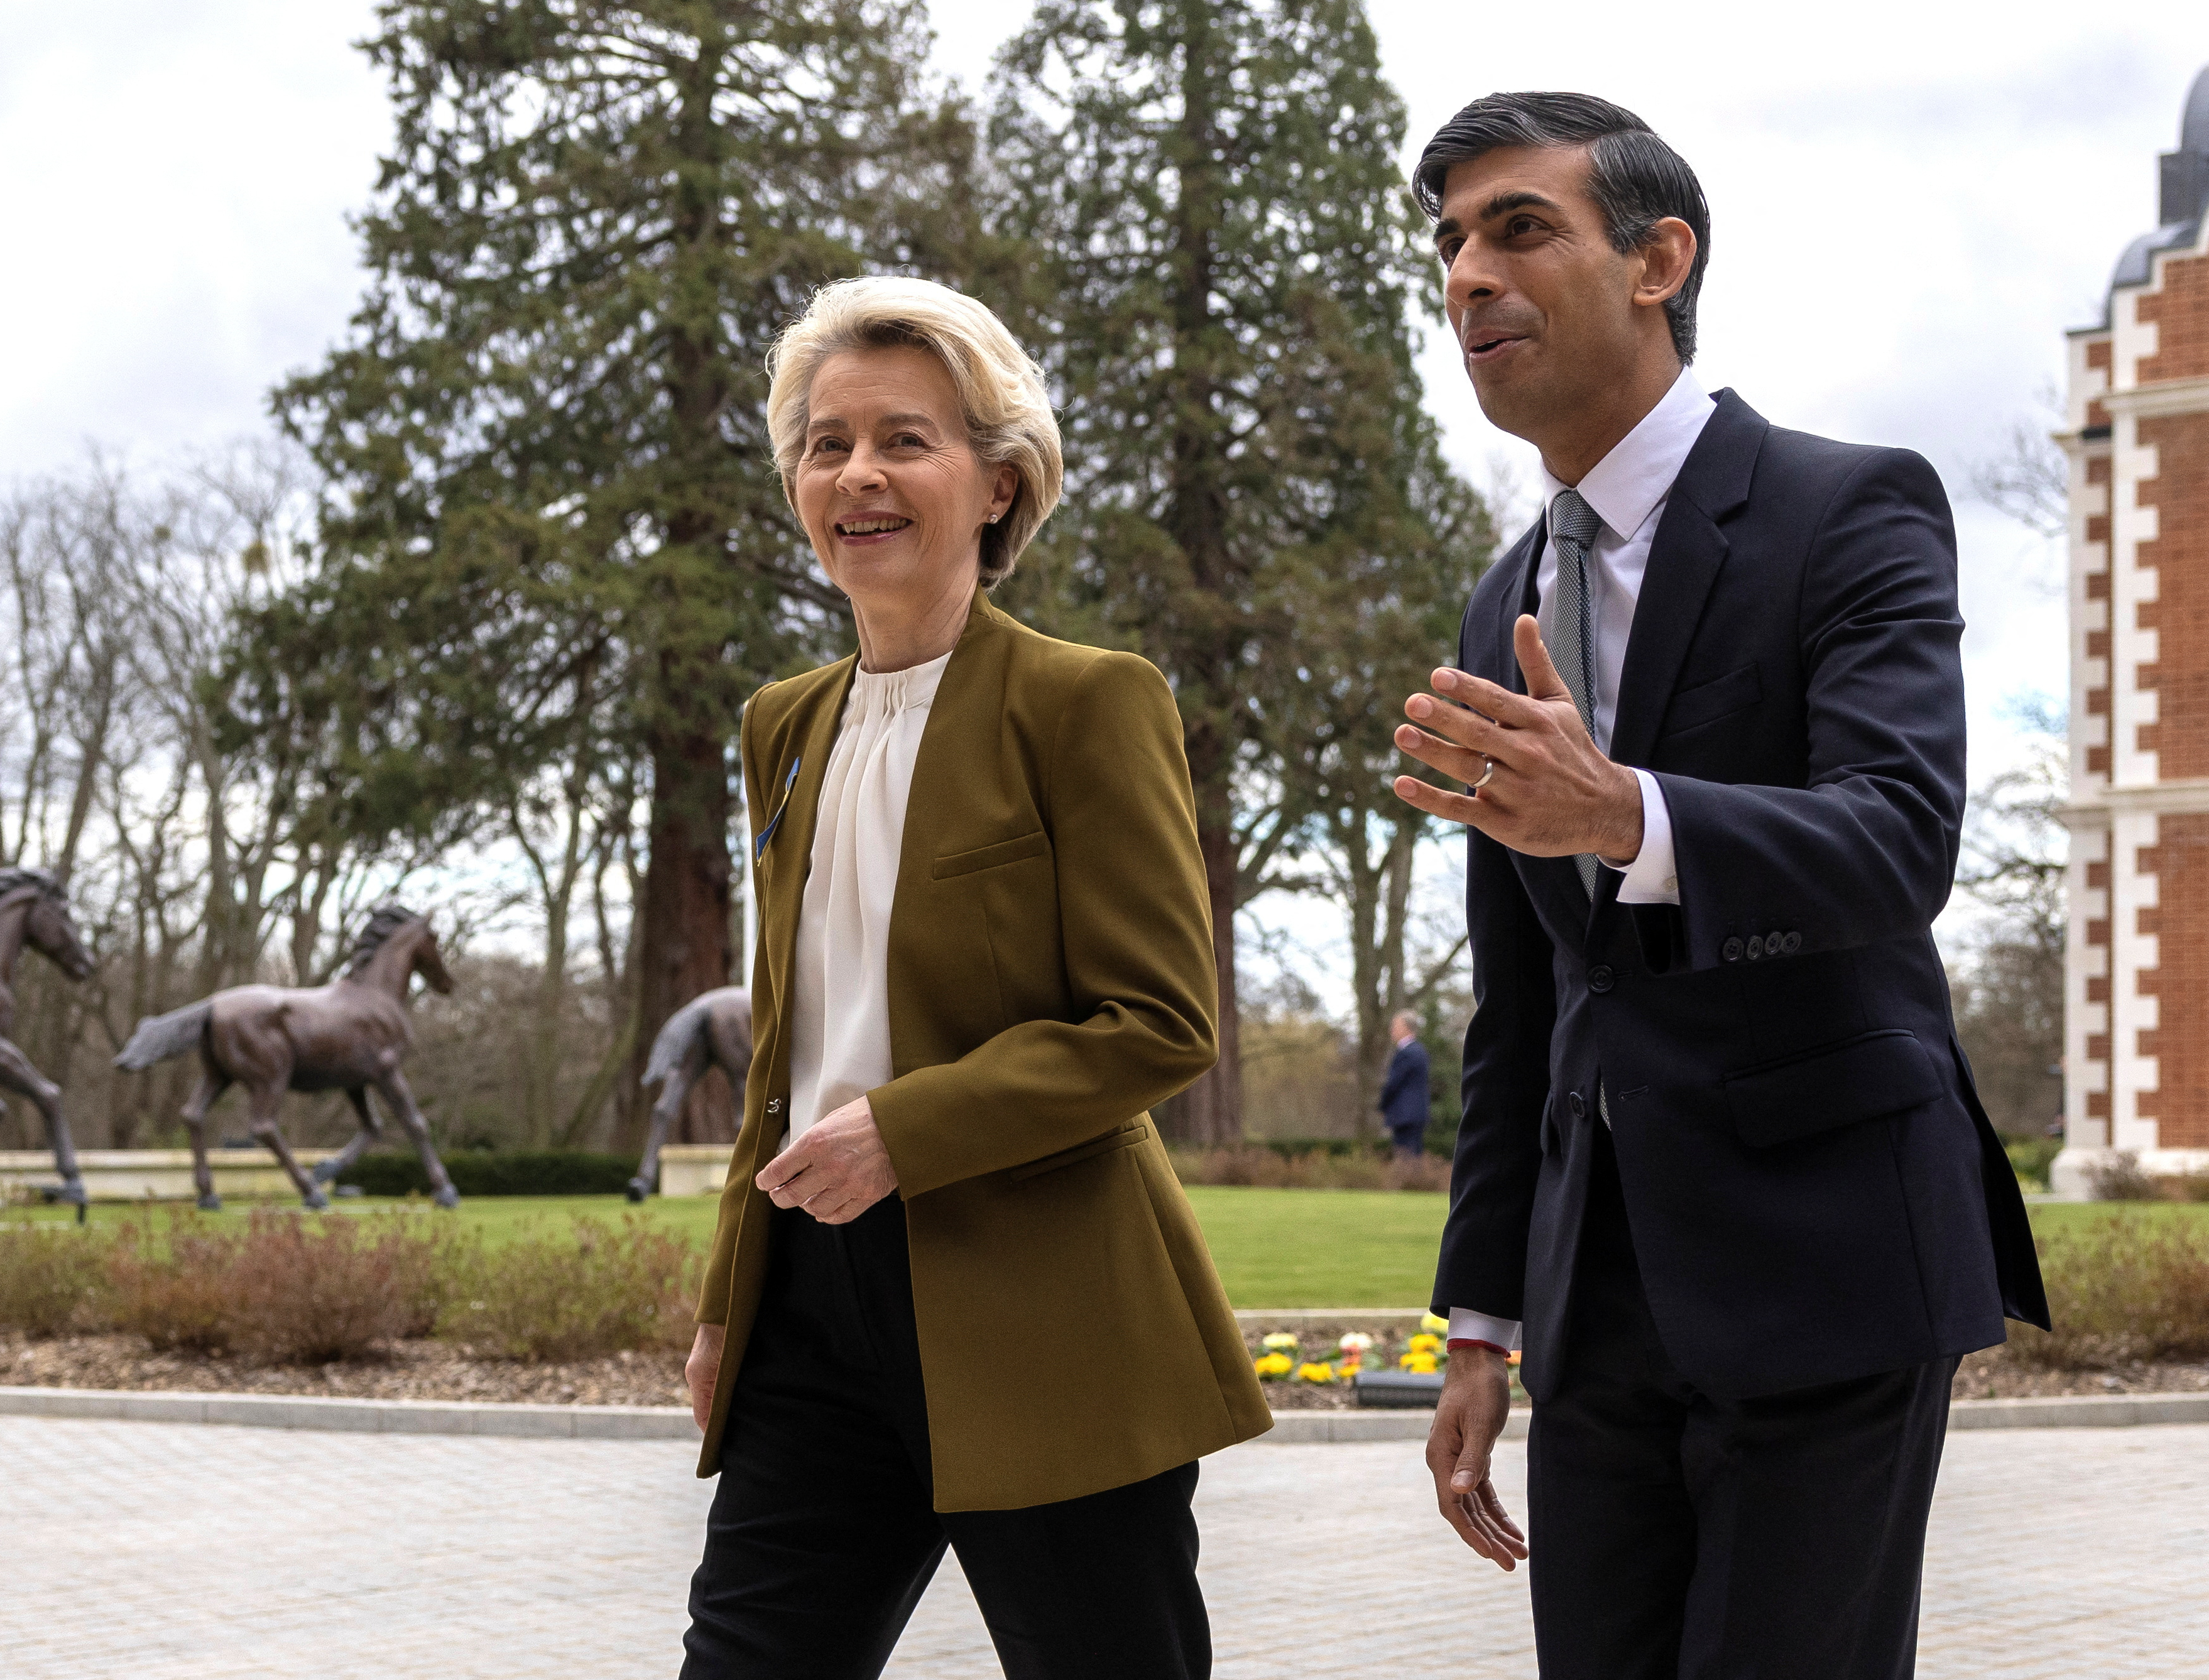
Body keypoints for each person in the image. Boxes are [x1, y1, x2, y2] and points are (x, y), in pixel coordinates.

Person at [1387, 93, 2048, 1679]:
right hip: (1596, 1290)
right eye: (1449, 244)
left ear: (1655, 259)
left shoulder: (1848, 506)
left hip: (1825, 1253)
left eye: (1518, 230)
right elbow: (1522, 998)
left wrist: (1624, 813)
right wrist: (1478, 1321)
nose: (1467, 274)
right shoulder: (1500, 606)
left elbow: (1897, 839)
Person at [678, 275, 1268, 1679]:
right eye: (826, 444)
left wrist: (904, 1128)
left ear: (999, 484)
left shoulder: (1087, 700)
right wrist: (727, 1298)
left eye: (905, 438)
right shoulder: (782, 725)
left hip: (1047, 1303)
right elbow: (786, 1048)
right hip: (811, 1313)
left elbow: (1159, 1020)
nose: (857, 474)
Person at [1379, 1010, 1431, 1157]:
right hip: (1416, 1113)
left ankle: (1410, 1181)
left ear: (1406, 1028)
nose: (1392, 1030)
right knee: (1413, 1157)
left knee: (1405, 1159)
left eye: (1395, 1026)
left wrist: (1383, 1106)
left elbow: (1393, 1084)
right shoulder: (1420, 1051)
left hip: (1404, 1114)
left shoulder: (1407, 1052)